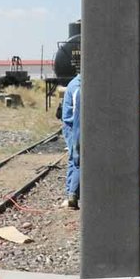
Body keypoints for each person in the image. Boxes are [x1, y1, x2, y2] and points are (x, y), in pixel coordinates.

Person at [60, 72, 81, 209]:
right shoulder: (78, 87)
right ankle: (72, 194)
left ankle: (70, 193)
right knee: (78, 159)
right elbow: (77, 115)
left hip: (72, 126)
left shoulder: (74, 83)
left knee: (74, 160)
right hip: (74, 126)